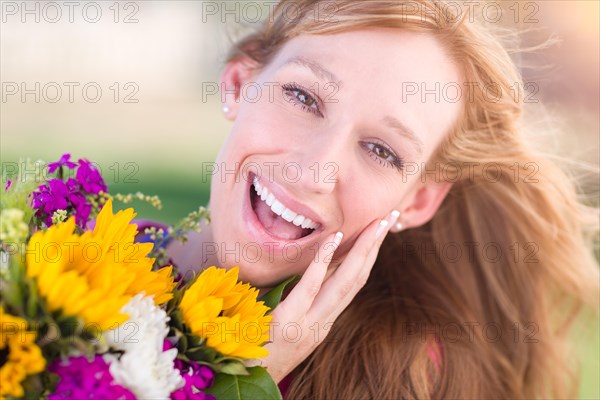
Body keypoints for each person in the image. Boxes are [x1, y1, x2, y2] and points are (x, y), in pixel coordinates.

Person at [168, 1, 600, 398]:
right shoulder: (104, 252)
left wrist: (253, 377)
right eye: (303, 98)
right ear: (238, 84)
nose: (315, 172)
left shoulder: (400, 381)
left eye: (381, 151)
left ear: (418, 202)